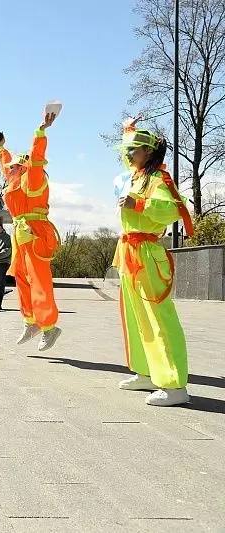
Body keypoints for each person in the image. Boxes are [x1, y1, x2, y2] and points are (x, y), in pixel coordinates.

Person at [114, 117, 195, 407]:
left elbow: (174, 208)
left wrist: (139, 204)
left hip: (147, 252)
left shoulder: (159, 178)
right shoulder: (137, 175)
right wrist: (129, 131)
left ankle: (174, 385)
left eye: (133, 150)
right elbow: (129, 156)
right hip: (130, 252)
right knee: (135, 316)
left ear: (148, 152)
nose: (127, 155)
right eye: (127, 150)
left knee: (159, 317)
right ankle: (147, 372)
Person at [0, 110, 62, 351]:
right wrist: (1, 148)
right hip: (21, 234)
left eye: (15, 166)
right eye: (11, 167)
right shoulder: (14, 180)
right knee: (22, 278)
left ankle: (49, 326)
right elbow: (5, 165)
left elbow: (36, 157)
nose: (10, 169)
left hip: (35, 233)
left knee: (39, 280)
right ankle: (31, 321)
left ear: (23, 167)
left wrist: (40, 132)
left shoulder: (32, 178)